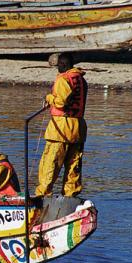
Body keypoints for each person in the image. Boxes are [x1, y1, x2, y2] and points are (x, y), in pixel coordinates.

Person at [35, 53, 88, 197]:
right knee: (73, 164)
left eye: (58, 65)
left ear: (63, 65)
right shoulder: (81, 80)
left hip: (61, 128)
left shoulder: (64, 79)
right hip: (78, 127)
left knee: (51, 162)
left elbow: (60, 102)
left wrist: (49, 97)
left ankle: (43, 194)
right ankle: (71, 194)